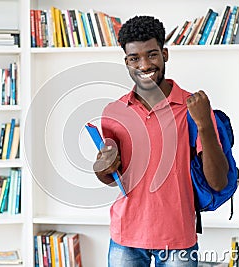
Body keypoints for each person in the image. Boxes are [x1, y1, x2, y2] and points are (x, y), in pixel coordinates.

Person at [92, 15, 229, 267]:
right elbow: (112, 179)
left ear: (165, 54)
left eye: (152, 54)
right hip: (125, 236)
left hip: (177, 238)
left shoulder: (193, 106)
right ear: (126, 62)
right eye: (135, 58)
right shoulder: (114, 112)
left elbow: (218, 181)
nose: (144, 65)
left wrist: (205, 124)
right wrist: (101, 168)